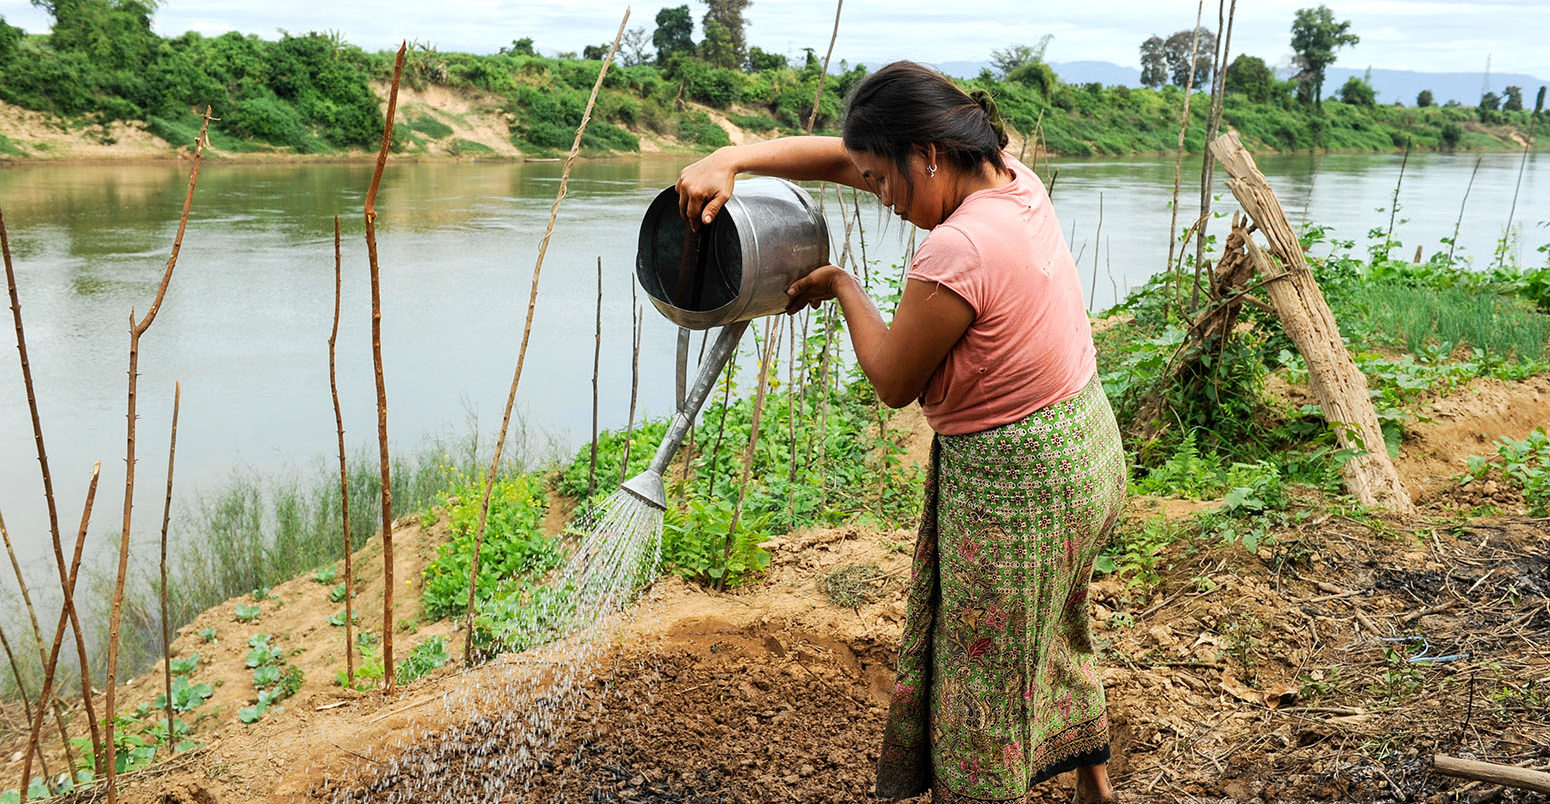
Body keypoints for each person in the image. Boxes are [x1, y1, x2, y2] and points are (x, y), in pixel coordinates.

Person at [675, 61, 1126, 804]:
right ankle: (1094, 788)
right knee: (1051, 625)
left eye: (885, 181)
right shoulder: (1010, 177)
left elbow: (891, 381)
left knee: (980, 683)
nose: (880, 198)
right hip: (1084, 446)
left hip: (1020, 484)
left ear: (929, 155)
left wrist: (842, 284)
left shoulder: (959, 249)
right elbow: (838, 157)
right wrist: (734, 157)